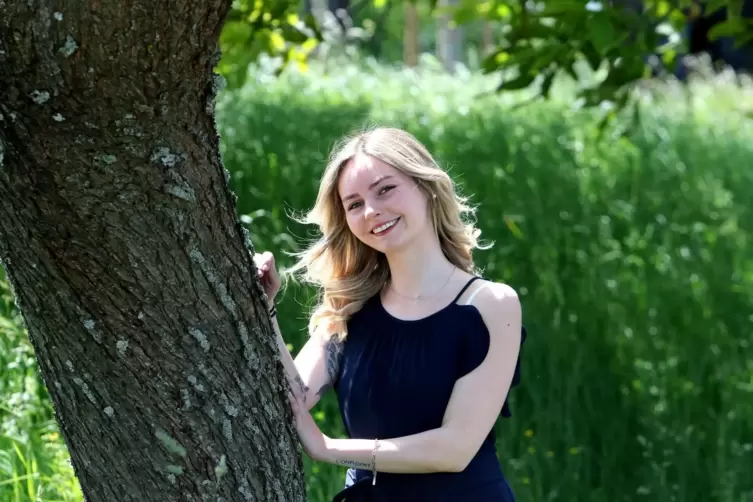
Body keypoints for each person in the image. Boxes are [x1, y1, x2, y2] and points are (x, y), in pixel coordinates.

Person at [254, 126, 526, 501]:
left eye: (385, 189)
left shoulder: (490, 304)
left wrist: (326, 448)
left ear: (426, 186)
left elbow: (455, 448)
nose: (371, 211)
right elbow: (292, 397)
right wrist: (262, 309)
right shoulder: (349, 309)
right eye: (354, 204)